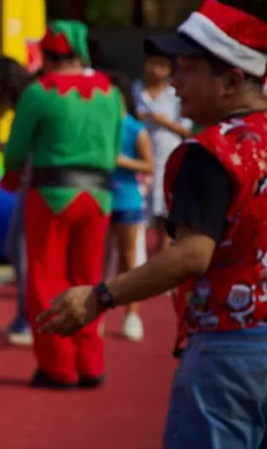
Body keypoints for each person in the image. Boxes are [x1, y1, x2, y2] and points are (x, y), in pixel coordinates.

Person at [38, 0, 267, 449]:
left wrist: (102, 295)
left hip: (228, 351)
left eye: (185, 69)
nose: (173, 81)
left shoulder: (212, 153)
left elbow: (191, 255)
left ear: (233, 80)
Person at [2, 20, 123, 389]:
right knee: (89, 280)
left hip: (52, 197)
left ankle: (58, 367)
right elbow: (116, 147)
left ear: (49, 56)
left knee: (45, 279)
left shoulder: (40, 92)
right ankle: (91, 363)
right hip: (99, 199)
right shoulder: (111, 93)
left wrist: (10, 176)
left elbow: (17, 147)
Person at [0, 56, 37, 345]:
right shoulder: (30, 98)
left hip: (37, 183)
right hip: (33, 180)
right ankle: (28, 316)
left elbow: (15, 149)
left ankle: (28, 319)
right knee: (18, 249)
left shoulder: (30, 99)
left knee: (21, 249)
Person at [106, 70, 155, 342]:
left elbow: (150, 166)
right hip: (100, 198)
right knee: (98, 262)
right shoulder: (99, 124)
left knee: (128, 260)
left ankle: (131, 315)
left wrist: (122, 161)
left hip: (127, 200)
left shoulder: (135, 129)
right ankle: (95, 314)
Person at [132, 52, 192, 253]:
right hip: (140, 156)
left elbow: (186, 130)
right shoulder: (136, 89)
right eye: (150, 64)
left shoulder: (174, 93)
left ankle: (162, 261)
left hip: (167, 154)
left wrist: (162, 121)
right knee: (140, 213)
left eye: (160, 65)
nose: (153, 70)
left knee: (166, 212)